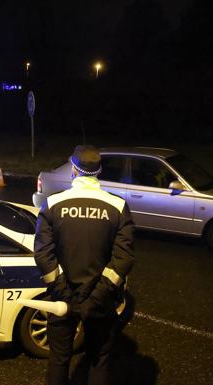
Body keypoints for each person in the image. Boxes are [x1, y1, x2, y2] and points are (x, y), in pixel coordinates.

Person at [34, 145, 135, 385]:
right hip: (100, 302)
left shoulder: (53, 204)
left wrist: (65, 294)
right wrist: (95, 298)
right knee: (99, 359)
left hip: (62, 300)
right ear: (98, 172)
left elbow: (43, 255)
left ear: (73, 171)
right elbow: (123, 259)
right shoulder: (118, 207)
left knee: (59, 359)